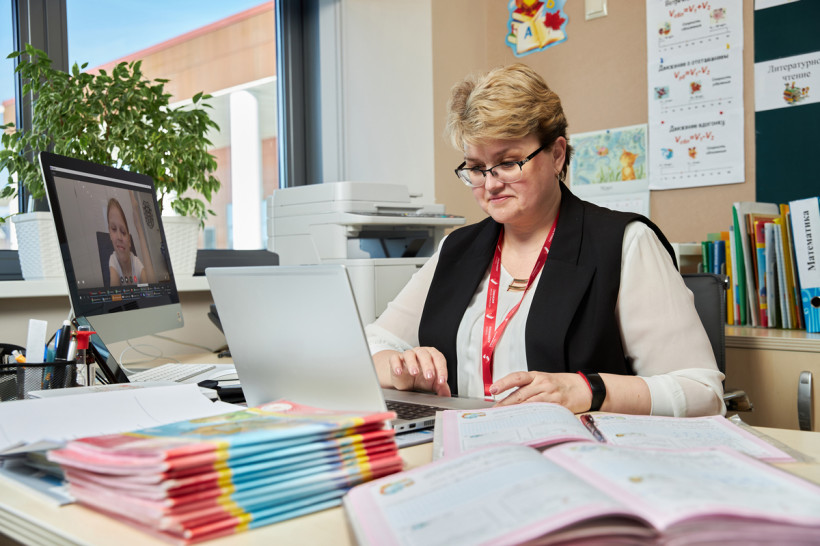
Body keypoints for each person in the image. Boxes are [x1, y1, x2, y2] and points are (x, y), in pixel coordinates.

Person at [365, 64, 724, 417]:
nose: (491, 184)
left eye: (508, 163)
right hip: (467, 443)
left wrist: (587, 390)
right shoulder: (456, 249)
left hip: (578, 449)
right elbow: (369, 345)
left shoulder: (625, 243)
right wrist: (399, 368)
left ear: (556, 154)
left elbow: (702, 392)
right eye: (476, 168)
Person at [106, 195, 155, 286]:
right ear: (110, 235)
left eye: (123, 232)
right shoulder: (113, 261)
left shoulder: (136, 263)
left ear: (129, 241)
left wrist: (139, 228)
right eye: (113, 229)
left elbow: (152, 286)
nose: (119, 237)